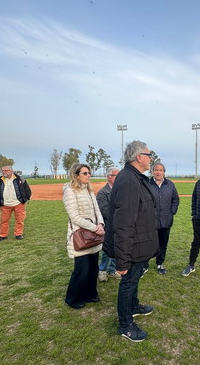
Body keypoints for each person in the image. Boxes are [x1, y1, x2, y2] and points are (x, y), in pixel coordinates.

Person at [103, 141, 159, 342]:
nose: (151, 157)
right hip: (132, 245)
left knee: (135, 280)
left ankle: (134, 306)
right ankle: (125, 324)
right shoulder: (128, 181)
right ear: (138, 157)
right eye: (148, 154)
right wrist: (123, 259)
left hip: (139, 243)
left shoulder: (135, 177)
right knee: (128, 282)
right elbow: (124, 223)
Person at [63, 163, 105, 309]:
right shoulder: (69, 190)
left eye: (89, 173)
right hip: (81, 235)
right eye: (85, 173)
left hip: (93, 235)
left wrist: (100, 224)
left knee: (93, 268)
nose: (89, 175)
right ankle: (73, 298)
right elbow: (74, 216)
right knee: (81, 270)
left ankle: (90, 293)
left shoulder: (88, 189)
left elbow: (97, 209)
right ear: (76, 175)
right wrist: (95, 228)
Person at [142, 163, 180, 275]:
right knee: (148, 244)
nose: (158, 172)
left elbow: (175, 199)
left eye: (160, 170)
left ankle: (160, 263)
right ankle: (145, 265)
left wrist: (172, 211)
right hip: (150, 221)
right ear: (152, 172)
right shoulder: (147, 184)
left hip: (166, 221)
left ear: (164, 172)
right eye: (156, 170)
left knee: (163, 243)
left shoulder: (170, 185)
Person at [0, 165, 32, 241]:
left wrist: (25, 199)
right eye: (3, 170)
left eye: (6, 170)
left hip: (18, 203)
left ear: (11, 171)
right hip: (5, 205)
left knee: (19, 220)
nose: (4, 172)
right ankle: (3, 235)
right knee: (4, 221)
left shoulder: (20, 179)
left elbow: (27, 190)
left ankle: (18, 234)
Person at [96, 166, 120, 282]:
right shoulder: (102, 193)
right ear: (109, 177)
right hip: (108, 226)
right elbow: (104, 211)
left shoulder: (121, 190)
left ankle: (112, 270)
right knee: (107, 250)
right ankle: (102, 271)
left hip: (120, 226)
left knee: (118, 248)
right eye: (116, 175)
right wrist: (121, 216)